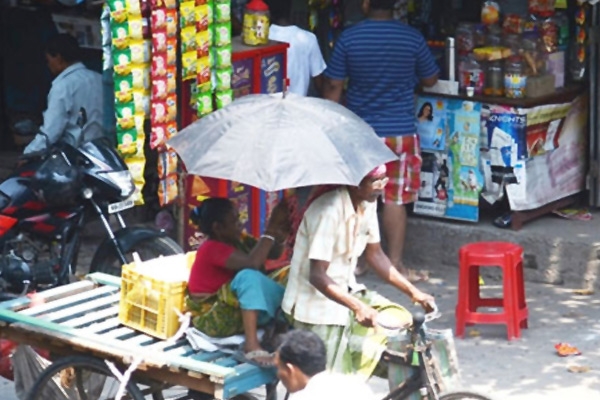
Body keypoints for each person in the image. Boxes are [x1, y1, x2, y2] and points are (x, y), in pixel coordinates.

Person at [322, 0, 439, 280]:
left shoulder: (349, 38)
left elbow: (334, 86)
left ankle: (358, 262)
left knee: (359, 197)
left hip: (361, 133)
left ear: (364, 4)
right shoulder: (411, 37)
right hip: (400, 132)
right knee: (395, 200)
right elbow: (432, 79)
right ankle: (395, 265)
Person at [281, 165, 435, 379]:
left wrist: (413, 292)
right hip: (314, 307)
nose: (381, 187)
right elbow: (317, 275)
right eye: (376, 182)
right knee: (336, 378)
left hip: (346, 291)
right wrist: (358, 307)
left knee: (402, 320)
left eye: (384, 180)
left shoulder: (367, 204)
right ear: (355, 183)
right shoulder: (328, 211)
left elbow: (376, 255)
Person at [186, 197, 290, 367]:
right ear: (218, 228)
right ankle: (251, 345)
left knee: (291, 272)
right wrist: (270, 229)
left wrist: (279, 233)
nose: (240, 225)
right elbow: (253, 263)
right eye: (234, 221)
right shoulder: (211, 248)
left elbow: (272, 253)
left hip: (234, 309)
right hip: (214, 317)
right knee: (248, 276)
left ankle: (278, 331)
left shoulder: (238, 240)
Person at [24, 34, 104, 154]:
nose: (48, 65)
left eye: (49, 60)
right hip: (106, 152)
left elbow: (51, 131)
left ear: (58, 58)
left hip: (77, 156)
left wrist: (29, 153)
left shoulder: (63, 86)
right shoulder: (100, 79)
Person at [275, 330, 376, 400]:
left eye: (278, 368)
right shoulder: (357, 385)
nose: (278, 374)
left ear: (290, 370)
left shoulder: (303, 397)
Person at [264, 0, 327, 96]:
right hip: (298, 106)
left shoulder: (262, 38)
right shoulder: (308, 38)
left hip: (267, 105)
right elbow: (319, 81)